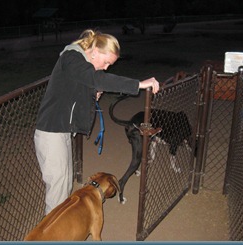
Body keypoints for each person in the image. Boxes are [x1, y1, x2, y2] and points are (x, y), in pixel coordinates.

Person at [34, 29, 160, 215]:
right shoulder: (71, 57)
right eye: (106, 62)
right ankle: (52, 232)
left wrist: (92, 94)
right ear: (94, 51)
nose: (107, 67)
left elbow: (77, 89)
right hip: (51, 132)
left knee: (64, 183)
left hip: (61, 131)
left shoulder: (80, 66)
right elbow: (95, 78)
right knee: (57, 191)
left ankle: (58, 227)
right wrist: (138, 84)